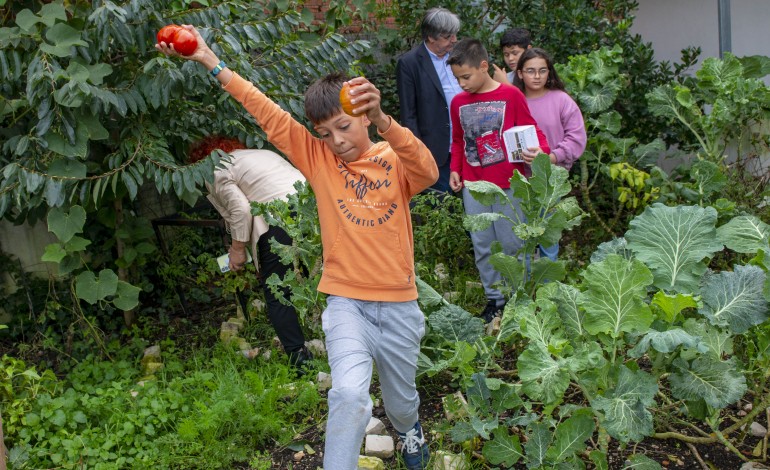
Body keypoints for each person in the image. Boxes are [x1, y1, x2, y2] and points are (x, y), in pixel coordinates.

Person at [157, 26, 438, 470]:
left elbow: (428, 172)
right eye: (325, 132)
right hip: (347, 301)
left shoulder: (393, 159)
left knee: (402, 404)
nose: (337, 140)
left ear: (363, 116)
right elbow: (266, 112)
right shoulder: (319, 159)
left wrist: (386, 120)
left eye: (343, 127)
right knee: (346, 395)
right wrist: (211, 60)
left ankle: (408, 430)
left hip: (400, 305)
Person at [447, 39, 550, 323]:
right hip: (473, 186)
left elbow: (532, 131)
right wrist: (456, 169)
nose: (462, 84)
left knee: (512, 244)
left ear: (484, 67)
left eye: (466, 77)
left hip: (508, 184)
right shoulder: (458, 102)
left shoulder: (511, 95)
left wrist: (540, 152)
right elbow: (458, 140)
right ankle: (496, 300)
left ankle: (520, 299)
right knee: (482, 244)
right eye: (457, 79)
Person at [188, 136, 313, 368]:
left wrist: (236, 250)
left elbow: (241, 209)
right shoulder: (259, 154)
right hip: (311, 209)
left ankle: (300, 361)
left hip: (278, 217)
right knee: (320, 278)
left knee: (278, 292)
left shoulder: (216, 169)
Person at [514, 47, 587, 261]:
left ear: (549, 72)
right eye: (530, 71)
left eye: (542, 70)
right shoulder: (513, 99)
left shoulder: (562, 100)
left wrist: (551, 158)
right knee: (521, 237)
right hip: (518, 180)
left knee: (548, 237)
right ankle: (524, 288)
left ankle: (548, 288)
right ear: (520, 73)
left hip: (552, 180)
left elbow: (576, 138)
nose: (537, 76)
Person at [396, 7, 461, 193]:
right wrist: (419, 154)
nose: (454, 40)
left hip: (465, 146)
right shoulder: (410, 63)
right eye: (448, 36)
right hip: (435, 151)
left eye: (455, 34)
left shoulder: (460, 55)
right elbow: (409, 115)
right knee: (443, 206)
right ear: (431, 37)